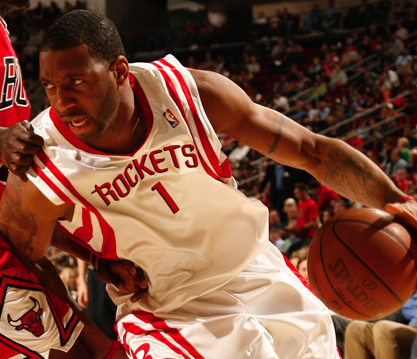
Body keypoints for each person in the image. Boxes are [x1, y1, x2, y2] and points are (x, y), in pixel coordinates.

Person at [2, 9, 417, 359]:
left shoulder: (188, 94)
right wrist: (93, 264)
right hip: (168, 309)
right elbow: (20, 248)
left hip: (255, 270)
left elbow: (312, 149)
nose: (61, 101)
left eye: (75, 82)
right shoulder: (43, 162)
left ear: (120, 71)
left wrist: (397, 200)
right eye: (50, 86)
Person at [0, 3, 137, 358]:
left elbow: (19, 206)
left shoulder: (3, 29)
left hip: (13, 243)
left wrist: (91, 257)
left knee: (102, 350)